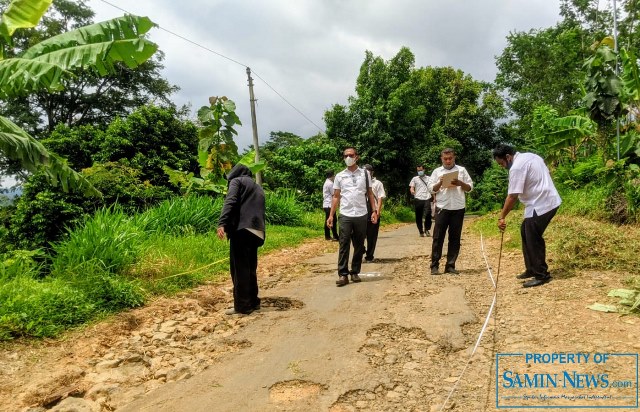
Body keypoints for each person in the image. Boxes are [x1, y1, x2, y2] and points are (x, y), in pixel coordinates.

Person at [493, 144, 562, 288]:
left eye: (501, 163)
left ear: (508, 157)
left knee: (533, 237)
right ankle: (531, 268)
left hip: (541, 204)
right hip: (544, 200)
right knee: (525, 230)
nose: (501, 167)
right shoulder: (531, 156)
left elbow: (512, 196)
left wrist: (502, 216)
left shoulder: (517, 167)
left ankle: (541, 275)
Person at [217, 164, 266, 315]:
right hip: (257, 231)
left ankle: (243, 306)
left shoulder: (236, 181)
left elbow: (230, 201)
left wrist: (222, 223)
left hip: (242, 229)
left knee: (239, 270)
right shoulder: (257, 187)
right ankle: (254, 302)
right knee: (250, 268)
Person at [327, 147, 378, 287]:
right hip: (345, 214)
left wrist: (374, 211)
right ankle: (343, 274)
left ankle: (355, 271)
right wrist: (331, 215)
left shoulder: (365, 174)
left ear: (357, 157)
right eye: (345, 156)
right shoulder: (339, 176)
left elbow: (370, 193)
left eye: (351, 155)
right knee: (343, 244)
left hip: (361, 213)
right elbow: (336, 196)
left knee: (359, 244)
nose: (348, 157)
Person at [428, 148, 473, 275]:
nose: (448, 161)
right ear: (441, 158)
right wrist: (440, 183)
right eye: (445, 159)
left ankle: (450, 265)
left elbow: (470, 187)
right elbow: (431, 189)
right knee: (438, 237)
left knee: (455, 238)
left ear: (454, 158)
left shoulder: (462, 170)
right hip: (442, 207)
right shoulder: (437, 171)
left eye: (450, 158)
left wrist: (460, 183)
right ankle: (434, 265)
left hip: (458, 207)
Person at [363, 164, 386, 262]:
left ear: (372, 173)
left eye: (368, 172)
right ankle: (361, 249)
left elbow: (380, 197)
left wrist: (378, 211)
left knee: (372, 235)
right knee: (356, 234)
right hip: (361, 211)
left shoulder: (377, 183)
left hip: (373, 210)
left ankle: (369, 255)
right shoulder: (359, 183)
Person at [409, 165, 433, 237]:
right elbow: (412, 187)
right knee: (418, 215)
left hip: (427, 197)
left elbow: (432, 188)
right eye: (418, 171)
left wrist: (434, 197)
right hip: (418, 198)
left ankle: (427, 229)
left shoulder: (429, 178)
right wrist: (412, 191)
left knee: (428, 214)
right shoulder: (415, 179)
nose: (420, 172)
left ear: (424, 170)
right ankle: (421, 231)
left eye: (421, 170)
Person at [323, 170, 339, 241]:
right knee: (331, 220)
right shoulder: (330, 184)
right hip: (329, 204)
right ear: (332, 175)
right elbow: (334, 194)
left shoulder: (327, 182)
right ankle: (331, 236)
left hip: (327, 204)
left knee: (332, 220)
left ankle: (332, 235)